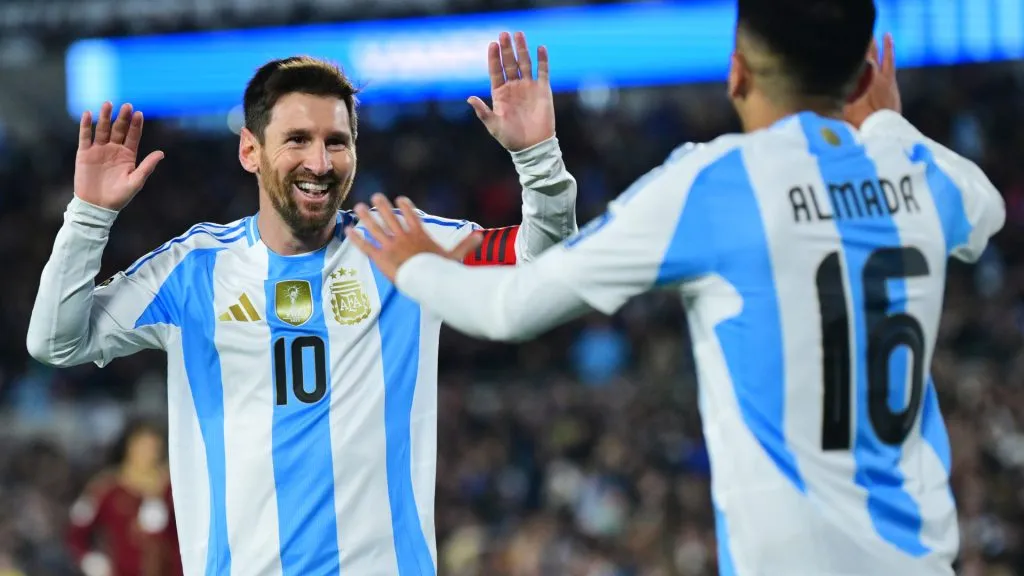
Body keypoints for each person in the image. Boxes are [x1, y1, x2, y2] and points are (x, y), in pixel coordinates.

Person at [346, 3, 1006, 575]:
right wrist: (887, 123)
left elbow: (508, 307)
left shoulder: (713, 183)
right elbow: (986, 207)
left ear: (737, 72)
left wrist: (415, 264)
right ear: (865, 77)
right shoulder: (917, 172)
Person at [27, 32, 578, 575]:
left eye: (336, 142)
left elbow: (544, 270)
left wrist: (538, 160)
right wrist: (89, 217)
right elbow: (55, 341)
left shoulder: (404, 246)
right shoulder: (190, 271)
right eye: (297, 139)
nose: (320, 161)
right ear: (250, 150)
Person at [67, 419, 183, 576]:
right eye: (142, 446)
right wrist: (89, 559)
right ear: (129, 447)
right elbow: (76, 531)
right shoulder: (105, 488)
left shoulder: (175, 487)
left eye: (153, 447)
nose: (149, 453)